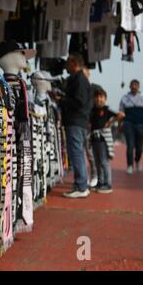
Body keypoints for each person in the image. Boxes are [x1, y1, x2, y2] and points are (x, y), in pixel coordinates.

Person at [57, 52, 92, 198]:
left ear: (74, 64)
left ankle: (81, 186)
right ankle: (81, 184)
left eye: (68, 63)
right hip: (79, 122)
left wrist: (61, 100)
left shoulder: (79, 80)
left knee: (76, 153)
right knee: (77, 153)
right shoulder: (80, 79)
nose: (66, 65)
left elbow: (79, 102)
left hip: (76, 122)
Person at [89, 89, 124, 194]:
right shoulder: (92, 110)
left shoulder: (107, 109)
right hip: (94, 138)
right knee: (97, 162)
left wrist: (110, 122)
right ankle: (100, 182)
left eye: (101, 97)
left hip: (103, 139)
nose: (99, 99)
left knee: (104, 162)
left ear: (105, 99)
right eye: (97, 97)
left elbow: (121, 114)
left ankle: (108, 184)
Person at [119, 79, 143, 175]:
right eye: (132, 85)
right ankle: (129, 165)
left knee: (139, 147)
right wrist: (119, 125)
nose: (134, 87)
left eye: (136, 85)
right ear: (129, 86)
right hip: (128, 123)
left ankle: (137, 160)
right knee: (130, 145)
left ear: (138, 87)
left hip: (140, 124)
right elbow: (121, 113)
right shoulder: (124, 98)